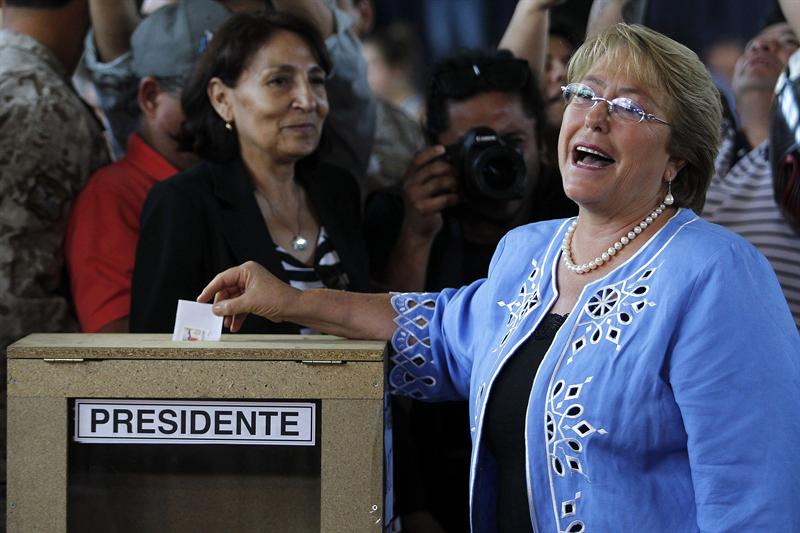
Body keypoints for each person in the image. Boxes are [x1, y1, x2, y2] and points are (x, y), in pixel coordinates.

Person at [198, 24, 800, 531]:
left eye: (629, 107)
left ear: (679, 158)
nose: (594, 117)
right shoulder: (528, 250)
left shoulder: (718, 273)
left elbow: (756, 496)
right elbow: (440, 334)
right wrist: (290, 300)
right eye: (584, 95)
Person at [130, 11, 372, 334]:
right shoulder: (184, 205)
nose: (307, 100)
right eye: (279, 81)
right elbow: (153, 360)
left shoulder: (338, 190)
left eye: (316, 80)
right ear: (221, 99)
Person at [65, 0, 230, 334]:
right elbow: (118, 342)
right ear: (151, 97)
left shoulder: (238, 177)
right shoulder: (114, 195)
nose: (223, 108)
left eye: (233, 91)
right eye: (203, 96)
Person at [701, 16, 800, 328]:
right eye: (753, 44)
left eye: (788, 42)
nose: (762, 45)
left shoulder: (793, 150)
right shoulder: (702, 146)